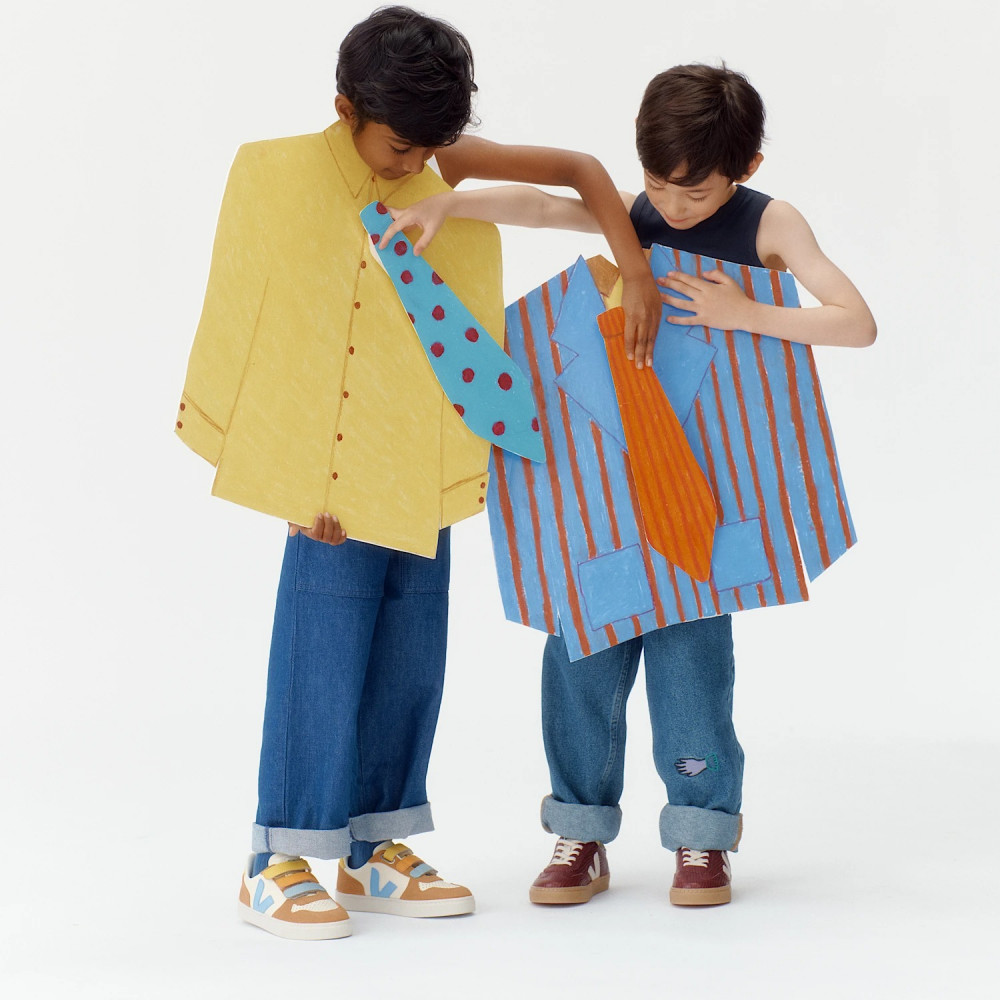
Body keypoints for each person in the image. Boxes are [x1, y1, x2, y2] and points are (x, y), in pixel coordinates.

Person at [175, 5, 661, 940]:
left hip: (422, 456)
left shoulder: (442, 164)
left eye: (429, 147)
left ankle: (377, 844)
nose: (414, 164)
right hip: (322, 476)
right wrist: (284, 479)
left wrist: (633, 268)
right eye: (400, 146)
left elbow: (579, 171)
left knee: (411, 651)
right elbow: (245, 326)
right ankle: (277, 856)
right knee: (321, 651)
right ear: (346, 107)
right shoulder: (274, 174)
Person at [380, 62, 876, 907]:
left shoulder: (770, 222)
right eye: (657, 184)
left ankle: (702, 839)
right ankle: (579, 830)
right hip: (603, 488)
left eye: (695, 191)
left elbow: (856, 323)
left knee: (692, 672)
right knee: (582, 655)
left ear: (746, 168)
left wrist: (744, 312)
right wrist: (450, 205)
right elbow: (546, 208)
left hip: (705, 490)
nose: (672, 205)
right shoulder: (638, 213)